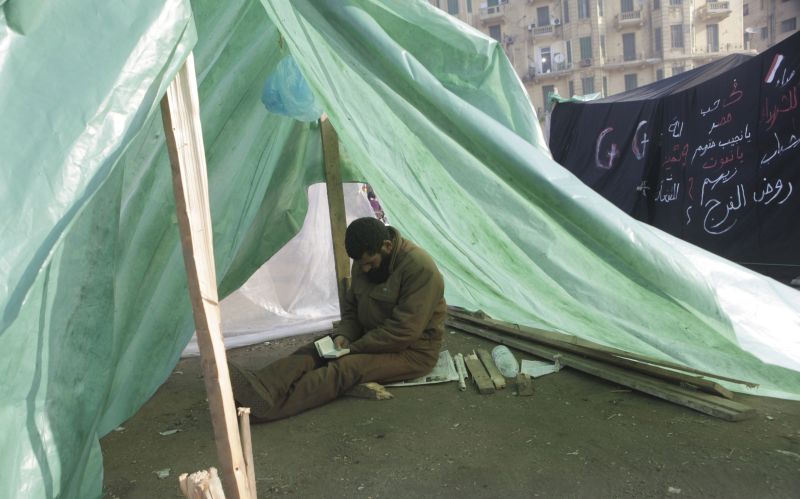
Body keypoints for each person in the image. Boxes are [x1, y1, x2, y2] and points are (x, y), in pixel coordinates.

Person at [229, 217, 446, 421]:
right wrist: (345, 335)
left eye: (370, 263)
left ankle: (266, 410)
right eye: (361, 265)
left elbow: (404, 332)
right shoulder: (363, 259)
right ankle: (261, 386)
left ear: (387, 247)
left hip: (411, 352)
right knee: (315, 350)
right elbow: (352, 310)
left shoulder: (420, 268)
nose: (365, 269)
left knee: (344, 368)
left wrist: (354, 347)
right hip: (369, 336)